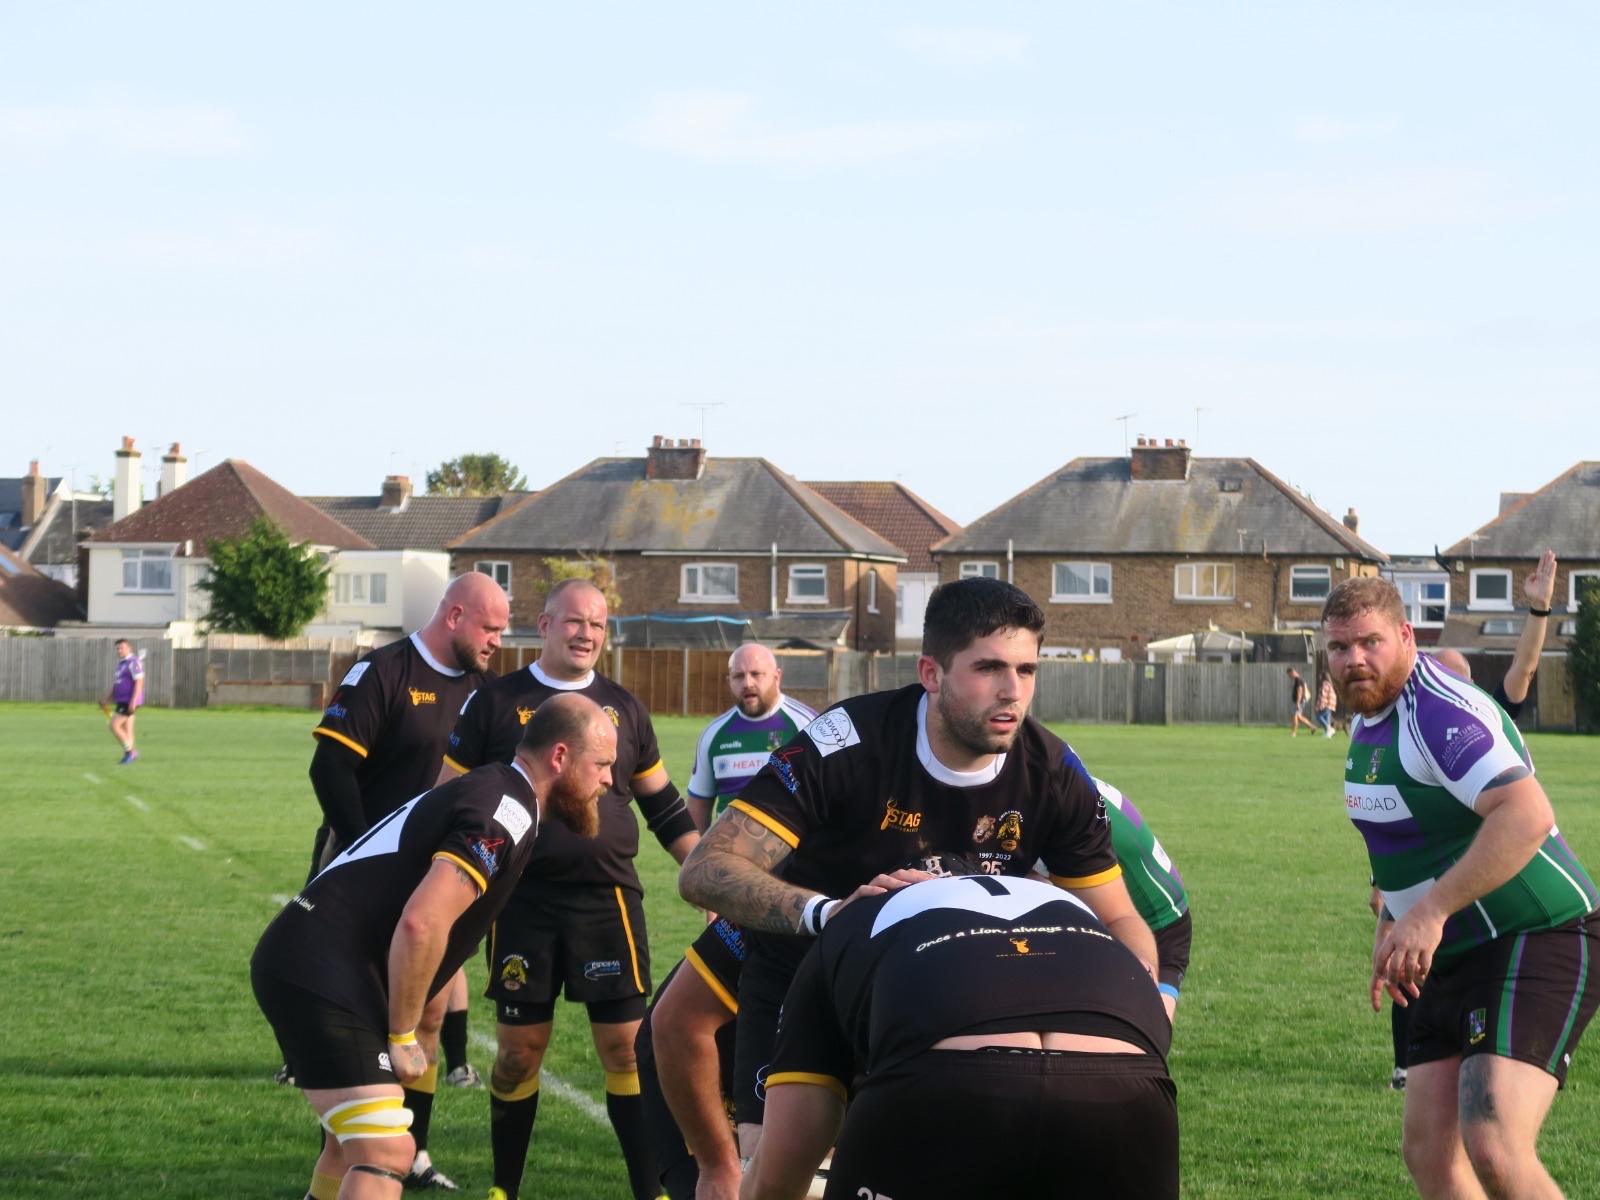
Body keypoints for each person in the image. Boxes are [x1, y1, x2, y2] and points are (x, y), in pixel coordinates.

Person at [677, 576, 1159, 1159]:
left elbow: (1121, 920)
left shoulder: (1053, 772)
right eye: (989, 668)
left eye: (1027, 670)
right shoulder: (846, 743)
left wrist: (1135, 1017)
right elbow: (705, 869)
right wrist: (829, 913)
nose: (1012, 691)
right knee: (785, 1168)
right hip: (805, 975)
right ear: (931, 673)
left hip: (938, 990)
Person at [251, 695, 616, 1200]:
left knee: (346, 1146)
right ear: (559, 757)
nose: (609, 780)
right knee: (387, 1152)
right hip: (323, 975)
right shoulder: (506, 811)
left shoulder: (500, 792)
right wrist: (403, 1035)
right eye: (602, 764)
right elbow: (423, 923)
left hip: (315, 963)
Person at [1323, 575, 1600, 1199]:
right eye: (1339, 647)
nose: (1354, 660)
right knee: (1429, 1153)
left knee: (1494, 1143)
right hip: (1450, 951)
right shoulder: (1370, 714)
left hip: (1538, 934)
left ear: (1405, 636)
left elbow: (1527, 814)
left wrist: (1430, 911)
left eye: (1369, 642)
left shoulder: (1438, 710)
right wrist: (1392, 921)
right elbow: (1402, 828)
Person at [436, 578, 698, 1200]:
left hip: (608, 900)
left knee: (627, 1051)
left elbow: (664, 809)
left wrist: (713, 881)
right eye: (575, 621)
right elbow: (447, 797)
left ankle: (651, 1191)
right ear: (545, 624)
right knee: (518, 1054)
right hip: (518, 901)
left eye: (598, 624)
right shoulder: (496, 702)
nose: (587, 634)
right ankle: (504, 1189)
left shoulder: (625, 708)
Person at [741, 868, 1177, 1200]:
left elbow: (778, 1177)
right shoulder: (1062, 900)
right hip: (1128, 1082)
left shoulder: (850, 918)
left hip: (951, 1082)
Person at [302, 570, 509, 1189]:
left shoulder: (485, 693)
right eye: (490, 628)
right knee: (363, 1023)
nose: (497, 641)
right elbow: (330, 767)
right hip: (363, 874)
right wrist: (370, 853)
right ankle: (348, 1155)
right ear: (455, 616)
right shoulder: (383, 671)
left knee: (428, 1014)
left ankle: (414, 1152)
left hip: (437, 881)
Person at [687, 643, 817, 831]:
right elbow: (698, 805)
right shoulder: (713, 734)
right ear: (729, 682)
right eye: (738, 676)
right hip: (728, 847)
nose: (747, 683)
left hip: (794, 848)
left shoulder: (808, 726)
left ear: (777, 677)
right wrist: (696, 849)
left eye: (756, 674)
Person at [105, 639, 144, 764]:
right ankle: (130, 754)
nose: (119, 650)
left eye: (122, 648)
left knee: (114, 725)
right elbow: (117, 683)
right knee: (127, 730)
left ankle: (129, 753)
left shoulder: (134, 662)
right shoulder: (122, 664)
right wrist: (107, 699)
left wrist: (133, 701)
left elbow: (139, 681)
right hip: (122, 700)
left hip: (128, 700)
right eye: (118, 648)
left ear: (129, 648)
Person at [1287, 667, 1318, 737]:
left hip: (1298, 701)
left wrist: (1298, 702)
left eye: (1289, 675)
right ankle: (1312, 727)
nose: (1289, 677)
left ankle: (1293, 733)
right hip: (1300, 701)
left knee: (1294, 716)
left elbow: (1300, 691)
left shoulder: (1298, 680)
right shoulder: (1299, 679)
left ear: (1292, 673)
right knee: (1299, 717)